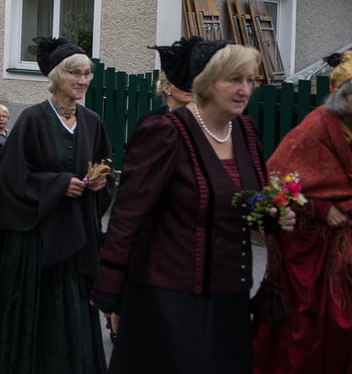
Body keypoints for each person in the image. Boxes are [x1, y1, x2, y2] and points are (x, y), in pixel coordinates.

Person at [92, 37, 295, 374]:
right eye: (234, 79)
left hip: (229, 295)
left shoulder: (245, 131)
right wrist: (110, 284)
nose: (244, 90)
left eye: (250, 80)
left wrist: (270, 216)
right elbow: (128, 215)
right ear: (207, 81)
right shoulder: (166, 132)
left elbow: (247, 200)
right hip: (168, 296)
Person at [0, 37, 114, 373]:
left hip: (75, 236)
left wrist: (100, 180)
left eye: (87, 73)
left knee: (72, 311)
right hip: (35, 241)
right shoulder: (32, 120)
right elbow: (9, 179)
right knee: (35, 311)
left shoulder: (92, 121)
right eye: (76, 73)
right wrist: (57, 185)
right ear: (58, 76)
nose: (83, 80)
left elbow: (103, 162)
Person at [252, 51, 352, 374]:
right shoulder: (312, 130)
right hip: (311, 255)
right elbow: (274, 189)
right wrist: (321, 208)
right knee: (307, 331)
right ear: (342, 96)